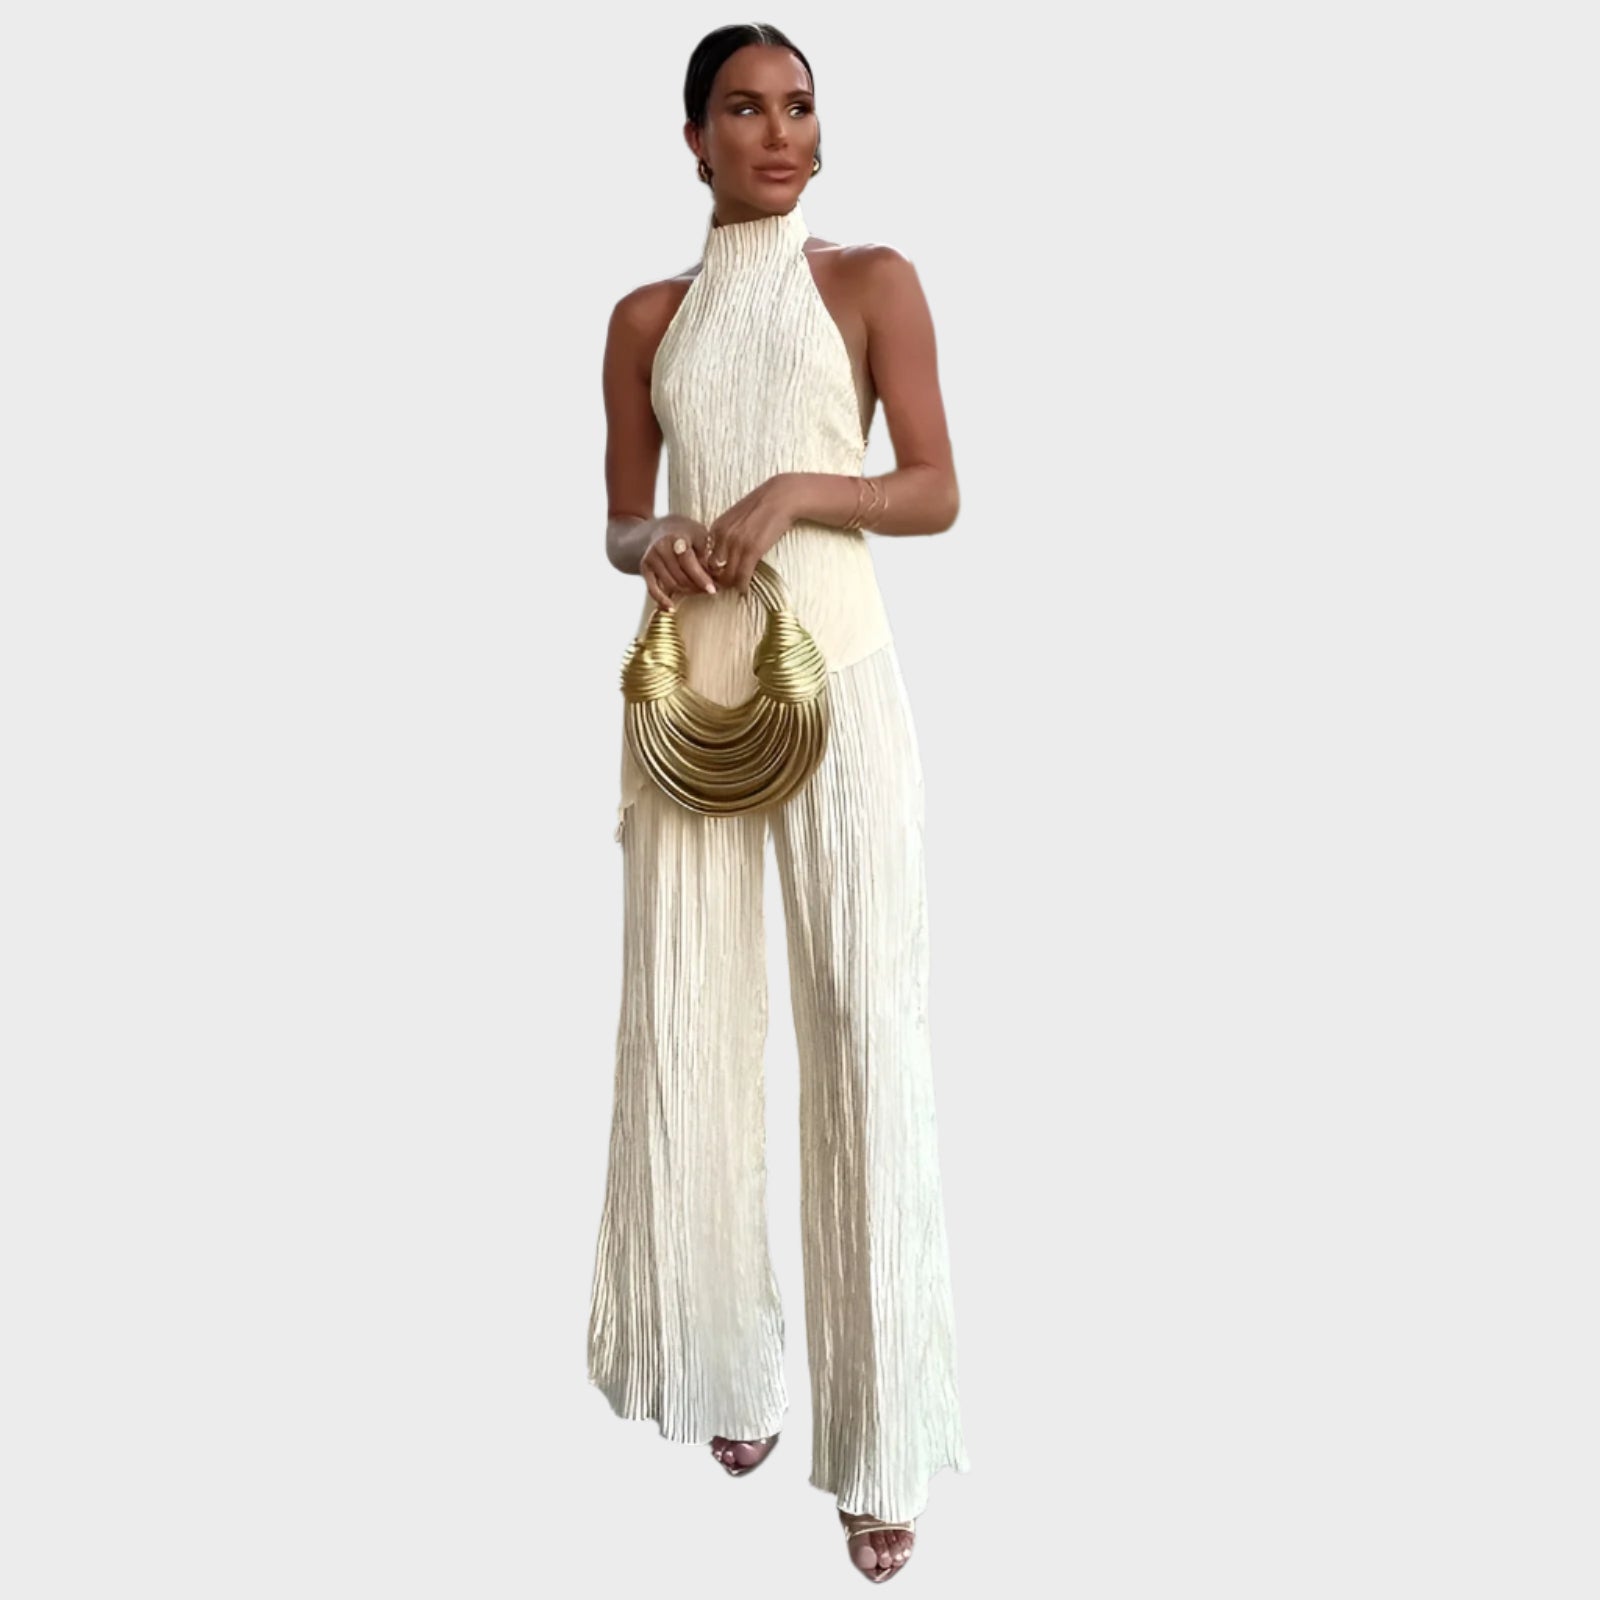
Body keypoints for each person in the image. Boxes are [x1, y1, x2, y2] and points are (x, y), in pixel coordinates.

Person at [586, 23, 971, 1582]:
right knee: (692, 1018)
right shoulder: (645, 317)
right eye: (743, 109)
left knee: (865, 1030)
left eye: (800, 105)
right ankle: (726, 1361)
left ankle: (880, 1441)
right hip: (693, 695)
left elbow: (936, 486)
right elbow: (615, 520)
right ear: (693, 139)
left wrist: (802, 489)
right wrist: (662, 539)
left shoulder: (871, 282)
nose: (779, 132)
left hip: (844, 679)